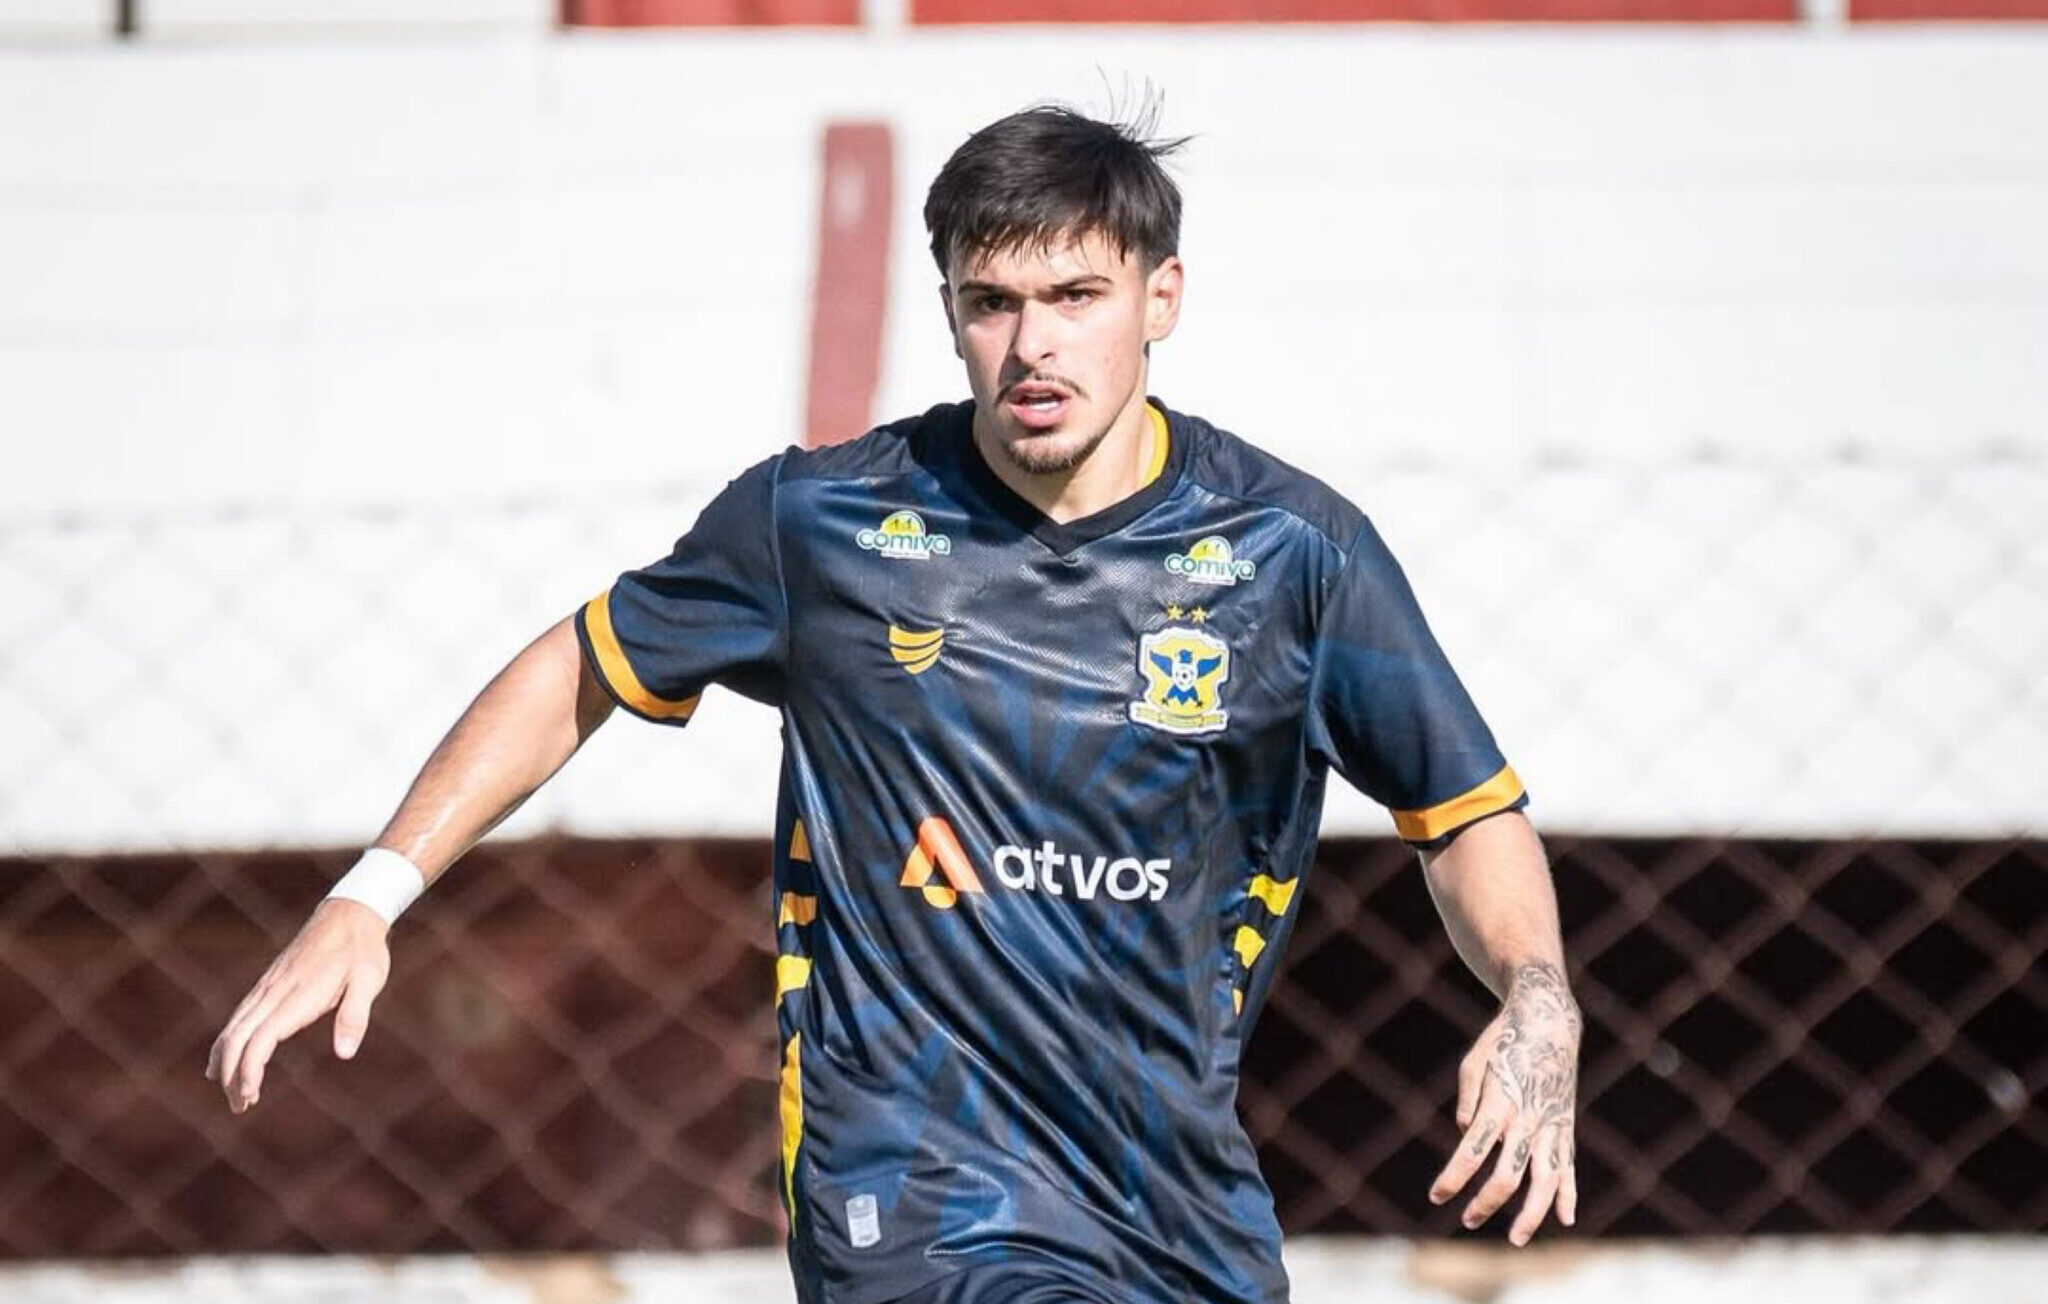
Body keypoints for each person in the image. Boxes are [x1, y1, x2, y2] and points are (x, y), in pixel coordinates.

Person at [208, 105, 1581, 1304]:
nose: (1032, 346)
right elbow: (582, 662)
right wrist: (371, 894)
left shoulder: (1294, 554)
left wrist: (1537, 993)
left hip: (1176, 1201)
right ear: (949, 310)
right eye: (992, 303)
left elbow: (1463, 812)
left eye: (1076, 296)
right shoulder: (825, 523)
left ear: (1162, 297)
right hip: (913, 1182)